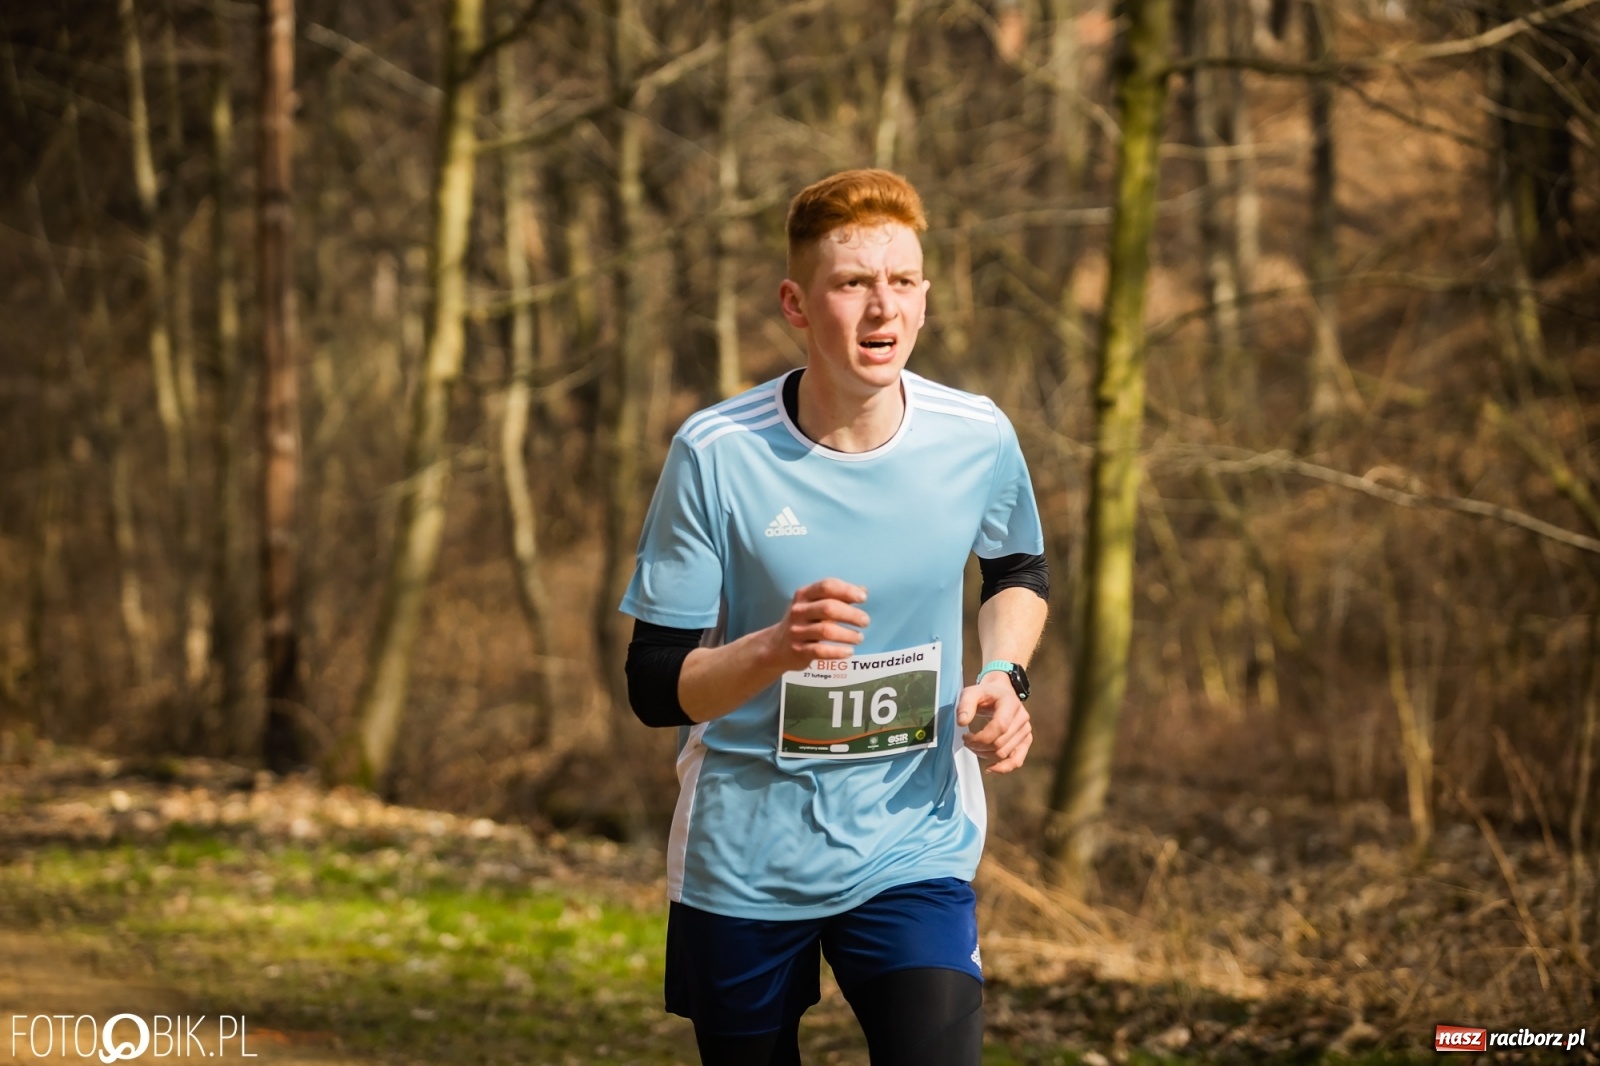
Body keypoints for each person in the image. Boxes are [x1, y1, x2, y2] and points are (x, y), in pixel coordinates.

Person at [620, 168, 1050, 1066]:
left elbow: (1016, 569)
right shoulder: (718, 453)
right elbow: (654, 685)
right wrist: (774, 649)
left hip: (913, 840)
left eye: (902, 281)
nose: (881, 307)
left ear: (925, 297)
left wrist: (1003, 676)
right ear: (797, 304)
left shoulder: (975, 436)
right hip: (746, 851)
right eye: (853, 283)